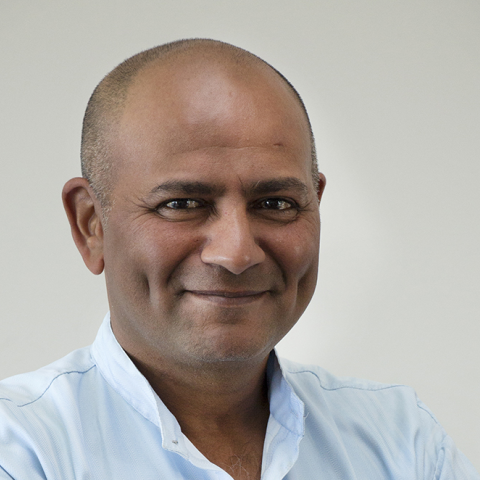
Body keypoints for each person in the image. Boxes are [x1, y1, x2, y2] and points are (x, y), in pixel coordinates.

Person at [0, 39, 478, 480]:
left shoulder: (402, 444)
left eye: (275, 203)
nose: (237, 253)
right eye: (183, 204)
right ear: (91, 224)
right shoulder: (22, 452)